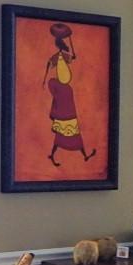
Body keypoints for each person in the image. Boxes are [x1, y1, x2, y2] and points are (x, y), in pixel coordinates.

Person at [42, 22, 97, 167]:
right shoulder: (59, 79)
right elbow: (63, 62)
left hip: (66, 111)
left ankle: (56, 155)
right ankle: (60, 155)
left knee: (63, 136)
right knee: (68, 136)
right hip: (66, 113)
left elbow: (71, 59)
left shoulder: (60, 62)